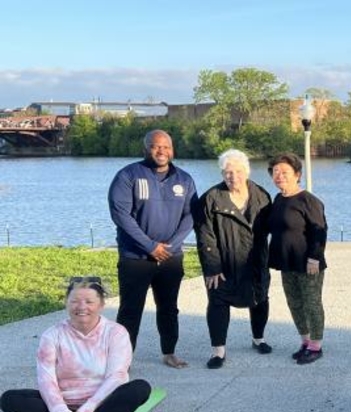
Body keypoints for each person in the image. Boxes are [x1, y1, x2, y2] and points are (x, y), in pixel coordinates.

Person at [0, 278, 151, 412]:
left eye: (89, 302)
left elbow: (116, 377)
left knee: (140, 388)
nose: (81, 307)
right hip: (62, 405)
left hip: (103, 406)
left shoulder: (116, 333)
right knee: (9, 399)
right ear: (66, 303)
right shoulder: (52, 335)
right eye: (75, 301)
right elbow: (46, 380)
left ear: (101, 304)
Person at [107, 129, 197, 369]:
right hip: (135, 258)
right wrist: (150, 246)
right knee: (130, 310)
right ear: (146, 148)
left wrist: (171, 246)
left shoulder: (184, 179)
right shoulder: (128, 176)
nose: (162, 151)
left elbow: (191, 216)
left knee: (169, 308)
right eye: (156, 146)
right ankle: (122, 361)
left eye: (166, 146)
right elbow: (121, 215)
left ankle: (169, 352)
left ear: (172, 149)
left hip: (170, 257)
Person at [194, 149, 272, 369]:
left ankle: (259, 338)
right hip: (223, 263)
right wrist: (211, 267)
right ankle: (218, 351)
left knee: (260, 298)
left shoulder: (261, 195)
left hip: (255, 261)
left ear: (247, 171)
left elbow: (272, 228)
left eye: (238, 171)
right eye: (228, 172)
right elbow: (204, 234)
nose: (233, 176)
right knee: (218, 302)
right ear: (222, 173)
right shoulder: (211, 198)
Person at [267, 152, 328, 365]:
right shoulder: (278, 199)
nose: (279, 176)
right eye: (275, 172)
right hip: (286, 262)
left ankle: (316, 346)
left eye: (285, 172)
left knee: (311, 303)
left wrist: (314, 258)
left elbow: (319, 232)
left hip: (308, 263)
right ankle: (305, 341)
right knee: (294, 303)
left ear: (297, 174)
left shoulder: (308, 201)